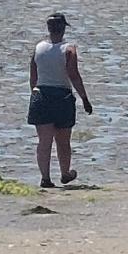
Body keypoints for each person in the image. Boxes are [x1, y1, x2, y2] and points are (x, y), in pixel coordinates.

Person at [29, 12, 93, 189]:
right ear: (63, 28)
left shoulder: (38, 48)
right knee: (63, 141)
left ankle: (45, 177)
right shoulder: (69, 49)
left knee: (44, 141)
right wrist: (85, 99)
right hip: (62, 96)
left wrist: (34, 96)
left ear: (49, 29)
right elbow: (73, 75)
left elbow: (33, 77)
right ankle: (65, 173)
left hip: (40, 95)